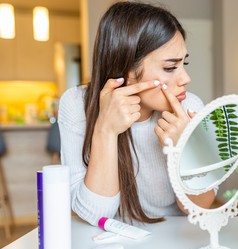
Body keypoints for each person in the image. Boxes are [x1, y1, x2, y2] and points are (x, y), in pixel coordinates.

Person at [58, 1, 215, 226]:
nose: (185, 78)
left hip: (173, 236)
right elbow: (94, 215)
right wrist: (106, 129)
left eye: (184, 63)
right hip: (108, 241)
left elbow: (200, 206)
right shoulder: (76, 104)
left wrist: (183, 151)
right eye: (170, 67)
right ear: (126, 70)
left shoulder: (189, 106)